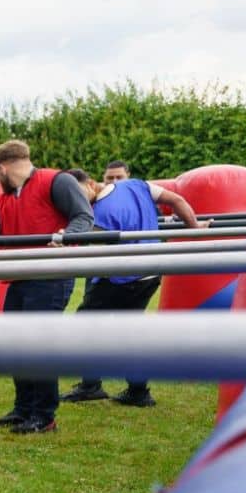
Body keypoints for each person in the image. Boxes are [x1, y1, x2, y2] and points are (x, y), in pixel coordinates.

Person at [0, 140, 97, 434]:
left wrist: (65, 236)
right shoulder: (3, 199)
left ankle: (44, 415)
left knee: (38, 344)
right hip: (20, 277)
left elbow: (84, 216)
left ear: (1, 168)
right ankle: (23, 409)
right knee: (16, 344)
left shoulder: (57, 181)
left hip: (51, 276)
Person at [60, 166, 204, 408]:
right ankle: (137, 391)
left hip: (120, 279)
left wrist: (64, 242)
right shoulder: (137, 184)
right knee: (129, 331)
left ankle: (91, 385)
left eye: (76, 194)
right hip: (150, 273)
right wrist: (194, 229)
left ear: (90, 184)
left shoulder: (99, 215)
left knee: (87, 327)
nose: (74, 202)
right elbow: (176, 200)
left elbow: (88, 254)